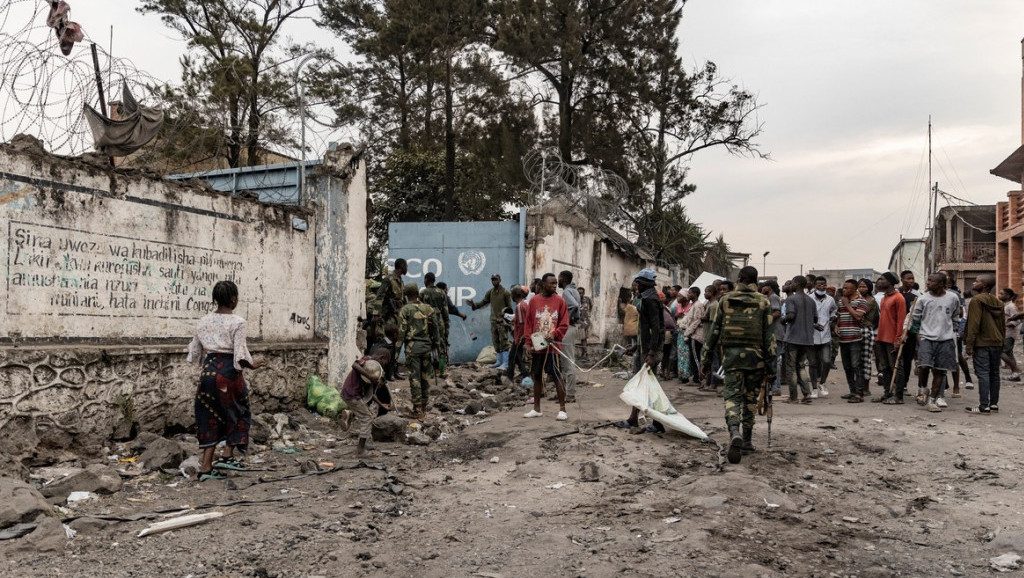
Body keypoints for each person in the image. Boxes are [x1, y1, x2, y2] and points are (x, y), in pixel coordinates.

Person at [187, 280, 263, 481]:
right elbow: (240, 355)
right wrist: (254, 364)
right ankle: (227, 455)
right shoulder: (238, 322)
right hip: (228, 374)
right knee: (238, 411)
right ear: (233, 299)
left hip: (208, 373)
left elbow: (194, 352)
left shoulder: (203, 321)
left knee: (209, 416)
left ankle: (206, 466)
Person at [701, 266, 775, 464]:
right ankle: (748, 441)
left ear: (740, 278)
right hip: (756, 358)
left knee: (732, 397)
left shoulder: (725, 300)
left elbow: (713, 332)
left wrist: (705, 359)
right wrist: (772, 366)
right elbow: (769, 337)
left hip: (732, 358)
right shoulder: (763, 301)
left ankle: (734, 431)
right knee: (750, 399)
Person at [616, 269, 665, 431]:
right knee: (639, 385)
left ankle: (657, 423)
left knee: (649, 387)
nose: (635, 286)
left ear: (642, 284)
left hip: (650, 350)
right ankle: (633, 419)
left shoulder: (650, 300)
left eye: (637, 283)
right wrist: (637, 345)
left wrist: (651, 353)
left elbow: (656, 328)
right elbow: (645, 328)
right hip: (645, 348)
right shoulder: (647, 298)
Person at [904, 273, 960, 412]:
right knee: (924, 366)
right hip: (926, 337)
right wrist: (905, 331)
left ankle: (933, 400)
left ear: (941, 284)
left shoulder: (952, 298)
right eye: (928, 280)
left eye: (931, 281)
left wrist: (953, 331)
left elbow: (955, 315)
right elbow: (912, 317)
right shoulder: (922, 298)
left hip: (945, 339)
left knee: (940, 371)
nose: (928, 283)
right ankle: (923, 389)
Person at [523, 273, 570, 421]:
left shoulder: (560, 301)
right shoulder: (534, 301)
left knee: (556, 376)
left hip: (553, 347)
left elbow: (564, 323)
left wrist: (555, 334)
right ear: (543, 284)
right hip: (538, 346)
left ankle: (562, 409)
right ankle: (536, 408)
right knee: (537, 375)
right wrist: (528, 344)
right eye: (552, 283)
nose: (555, 286)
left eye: (556, 283)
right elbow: (529, 323)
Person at [398, 282, 442, 420]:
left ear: (406, 295)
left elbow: (401, 333)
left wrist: (395, 353)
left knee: (415, 378)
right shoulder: (428, 309)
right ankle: (423, 407)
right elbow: (436, 329)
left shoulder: (405, 310)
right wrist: (437, 346)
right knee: (425, 377)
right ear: (417, 293)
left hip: (413, 349)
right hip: (427, 348)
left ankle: (417, 411)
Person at [964, 274, 1004, 414]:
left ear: (985, 285)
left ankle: (983, 405)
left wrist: (969, 344)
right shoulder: (998, 302)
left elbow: (974, 324)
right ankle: (993, 404)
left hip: (982, 342)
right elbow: (1002, 325)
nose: (973, 283)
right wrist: (1002, 341)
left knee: (983, 373)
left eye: (977, 281)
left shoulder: (977, 300)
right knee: (994, 373)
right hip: (997, 341)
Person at [340, 354, 389, 456]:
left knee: (366, 413)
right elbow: (354, 365)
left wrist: (381, 405)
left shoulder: (374, 370)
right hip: (352, 394)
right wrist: (369, 376)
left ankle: (351, 415)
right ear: (382, 359)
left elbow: (371, 394)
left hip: (353, 395)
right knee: (367, 418)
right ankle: (360, 450)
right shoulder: (366, 361)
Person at [781, 275, 817, 403]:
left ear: (796, 284)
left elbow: (790, 315)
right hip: (807, 338)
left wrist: (782, 319)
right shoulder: (811, 301)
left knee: (791, 367)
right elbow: (815, 319)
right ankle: (806, 394)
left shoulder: (791, 299)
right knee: (801, 366)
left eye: (792, 283)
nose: (791, 285)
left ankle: (793, 397)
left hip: (793, 338)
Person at [872, 272, 906, 403]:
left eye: (882, 279)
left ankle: (898, 396)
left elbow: (901, 321)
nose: (879, 281)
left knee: (896, 368)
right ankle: (888, 392)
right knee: (885, 368)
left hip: (892, 339)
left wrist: (898, 339)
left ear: (890, 282)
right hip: (882, 337)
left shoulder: (899, 298)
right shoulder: (884, 298)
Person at [468, 274, 513, 370]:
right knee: (496, 341)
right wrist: (474, 305)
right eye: (492, 279)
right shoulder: (490, 292)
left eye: (496, 279)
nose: (494, 281)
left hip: (502, 322)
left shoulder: (505, 293)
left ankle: (506, 363)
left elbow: (509, 309)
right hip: (493, 321)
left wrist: (504, 318)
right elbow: (483, 302)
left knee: (504, 341)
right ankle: (499, 361)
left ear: (500, 280)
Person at [375, 259, 407, 381]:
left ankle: (394, 371)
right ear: (401, 266)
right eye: (406, 266)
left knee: (396, 344)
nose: (407, 268)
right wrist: (376, 314)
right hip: (388, 316)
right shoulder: (388, 279)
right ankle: (386, 373)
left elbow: (402, 300)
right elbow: (380, 296)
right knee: (388, 344)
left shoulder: (400, 281)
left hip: (397, 316)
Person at [836, 279, 867, 402]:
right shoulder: (841, 301)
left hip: (854, 338)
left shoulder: (861, 301)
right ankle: (852, 391)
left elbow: (858, 316)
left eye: (846, 288)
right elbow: (839, 316)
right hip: (843, 338)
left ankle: (859, 394)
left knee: (856, 366)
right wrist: (836, 326)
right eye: (843, 288)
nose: (844, 290)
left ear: (854, 289)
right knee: (847, 367)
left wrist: (847, 304)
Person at [810, 276, 837, 397]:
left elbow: (834, 310)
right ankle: (814, 388)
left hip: (825, 334)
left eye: (824, 285)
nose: (822, 287)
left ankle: (822, 382)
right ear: (815, 285)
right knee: (813, 363)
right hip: (812, 335)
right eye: (819, 285)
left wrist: (833, 317)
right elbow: (805, 315)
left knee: (826, 361)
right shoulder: (809, 299)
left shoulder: (830, 299)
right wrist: (813, 325)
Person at [557, 270, 581, 402]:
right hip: (571, 328)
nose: (557, 281)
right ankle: (563, 392)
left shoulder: (566, 292)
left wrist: (565, 320)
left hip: (568, 328)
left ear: (564, 279)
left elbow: (574, 305)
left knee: (568, 361)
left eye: (559, 279)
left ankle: (570, 394)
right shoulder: (574, 290)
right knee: (565, 361)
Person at [420, 273, 449, 378]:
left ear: (426, 280)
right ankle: (441, 371)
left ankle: (430, 372)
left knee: (427, 345)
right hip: (439, 321)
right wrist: (447, 325)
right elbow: (445, 311)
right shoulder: (441, 292)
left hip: (426, 321)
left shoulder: (423, 293)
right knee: (440, 345)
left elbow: (419, 310)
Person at [761, 280, 783, 395]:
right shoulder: (770, 297)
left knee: (776, 361)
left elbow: (777, 312)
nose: (762, 288)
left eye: (764, 286)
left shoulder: (773, 297)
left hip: (775, 333)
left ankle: (776, 387)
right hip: (773, 333)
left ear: (769, 287)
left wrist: (765, 320)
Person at [858, 278, 878, 396]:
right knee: (857, 361)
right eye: (860, 286)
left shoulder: (870, 300)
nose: (861, 289)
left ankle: (866, 387)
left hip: (865, 330)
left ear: (869, 288)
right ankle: (858, 387)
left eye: (864, 287)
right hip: (858, 330)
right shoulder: (858, 299)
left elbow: (859, 314)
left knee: (865, 360)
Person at [508, 286, 530, 383]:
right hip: (523, 336)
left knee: (514, 357)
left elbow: (522, 324)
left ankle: (510, 377)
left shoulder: (519, 306)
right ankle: (522, 374)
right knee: (518, 357)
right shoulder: (524, 304)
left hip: (521, 337)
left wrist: (519, 338)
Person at [999, 288, 1021, 381]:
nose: (999, 295)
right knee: (1009, 353)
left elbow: (1017, 321)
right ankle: (1015, 374)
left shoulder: (1011, 306)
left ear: (1008, 296)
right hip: (1005, 333)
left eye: (1002, 294)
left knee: (1001, 352)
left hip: (1009, 333)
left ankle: (1015, 371)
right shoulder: (1005, 305)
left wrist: (1005, 325)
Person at [578, 287, 593, 359]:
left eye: (581, 293)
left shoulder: (587, 299)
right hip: (580, 323)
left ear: (583, 293)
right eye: (578, 293)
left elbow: (591, 307)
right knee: (582, 338)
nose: (579, 294)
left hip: (587, 321)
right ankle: (585, 353)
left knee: (585, 338)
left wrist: (588, 315)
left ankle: (584, 354)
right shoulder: (575, 300)